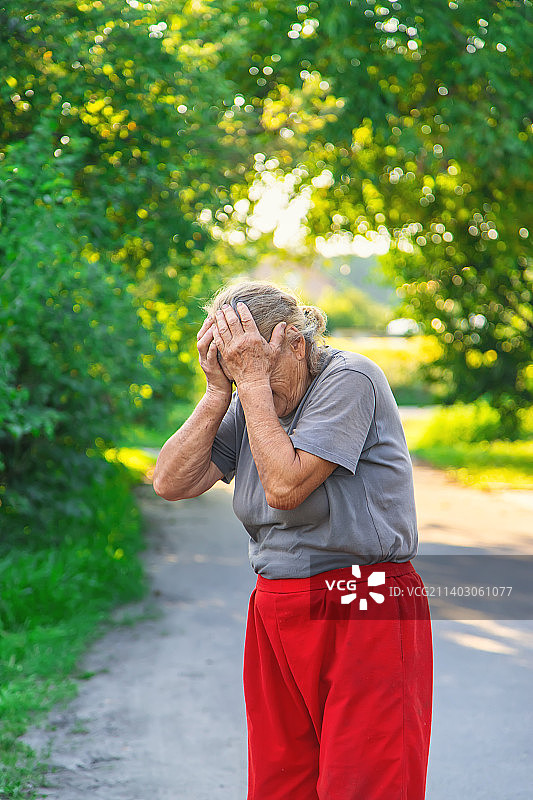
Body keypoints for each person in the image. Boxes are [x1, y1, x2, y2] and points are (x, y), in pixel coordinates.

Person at [152, 280, 433, 800]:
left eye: (256, 360)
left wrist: (252, 385)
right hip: (278, 604)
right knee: (283, 780)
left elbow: (284, 486)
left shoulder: (349, 379)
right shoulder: (250, 396)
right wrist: (219, 392)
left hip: (363, 598)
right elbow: (172, 482)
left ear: (297, 343)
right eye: (234, 363)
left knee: (367, 780)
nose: (248, 376)